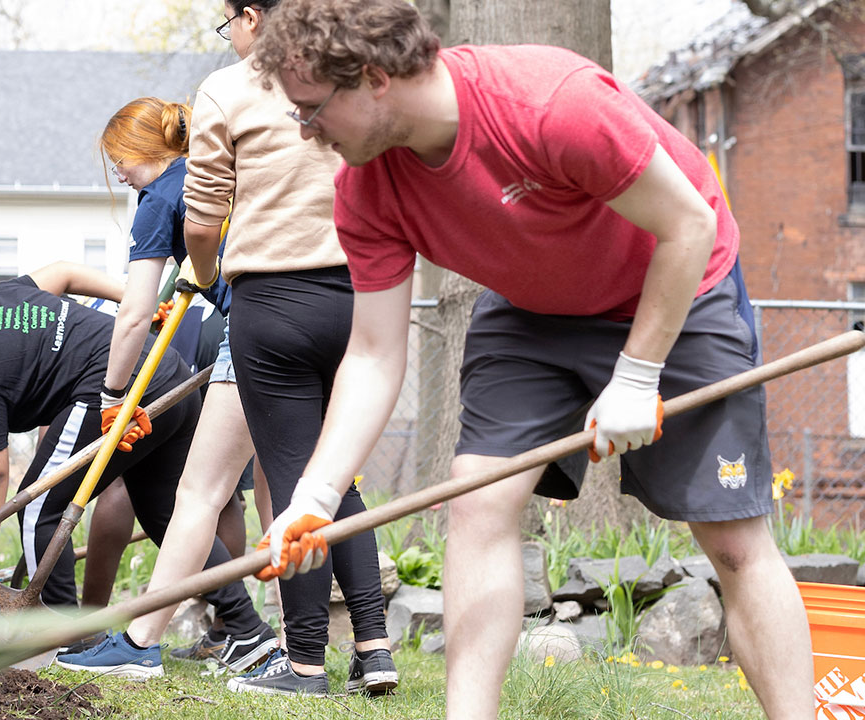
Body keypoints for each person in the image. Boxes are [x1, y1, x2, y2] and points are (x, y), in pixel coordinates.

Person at [246, 1, 813, 718]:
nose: (307, 131)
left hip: (677, 281)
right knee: (478, 499)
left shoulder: (549, 104)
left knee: (733, 543)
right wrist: (315, 497)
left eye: (311, 110)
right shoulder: (367, 191)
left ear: (372, 77)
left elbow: (689, 224)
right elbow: (374, 353)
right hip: (533, 308)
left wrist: (637, 375)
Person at [89, 0, 396, 698]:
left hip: (268, 306)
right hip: (358, 294)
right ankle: (372, 647)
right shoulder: (354, 74)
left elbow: (202, 224)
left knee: (270, 485)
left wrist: (207, 273)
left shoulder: (231, 90)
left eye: (230, 23)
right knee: (333, 477)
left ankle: (298, 660)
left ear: (254, 16)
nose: (231, 38)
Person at [0, 262, 264, 677]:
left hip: (116, 390)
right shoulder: (0, 297)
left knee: (37, 509)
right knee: (170, 518)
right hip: (163, 370)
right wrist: (135, 302)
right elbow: (64, 273)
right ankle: (246, 628)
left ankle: (74, 639)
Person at [57, 96, 281, 674]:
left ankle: (141, 645)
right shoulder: (207, 178)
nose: (120, 177)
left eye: (119, 164)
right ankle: (292, 641)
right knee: (247, 488)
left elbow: (132, 313)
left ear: (140, 152)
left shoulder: (158, 197)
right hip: (305, 314)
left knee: (200, 493)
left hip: (250, 326)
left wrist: (110, 394)